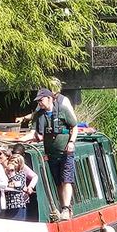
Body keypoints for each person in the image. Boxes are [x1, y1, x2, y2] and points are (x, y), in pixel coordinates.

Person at [33, 87, 78, 217]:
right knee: (58, 182)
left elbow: (74, 126)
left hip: (66, 152)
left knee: (66, 180)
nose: (39, 103)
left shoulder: (63, 110)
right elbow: (34, 133)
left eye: (41, 100)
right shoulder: (39, 115)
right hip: (51, 154)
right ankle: (62, 206)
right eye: (38, 101)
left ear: (49, 98)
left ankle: (66, 208)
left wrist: (71, 142)